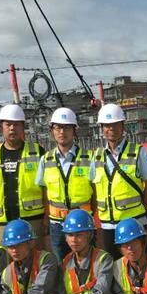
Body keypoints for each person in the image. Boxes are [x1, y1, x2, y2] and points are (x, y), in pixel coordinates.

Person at [89, 103, 147, 260]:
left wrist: (141, 207)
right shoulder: (97, 156)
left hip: (134, 222)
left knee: (139, 263)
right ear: (102, 128)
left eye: (116, 124)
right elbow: (93, 186)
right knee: (114, 266)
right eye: (107, 125)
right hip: (108, 225)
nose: (111, 129)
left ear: (123, 126)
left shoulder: (138, 152)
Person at [0, 104, 46, 247]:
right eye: (8, 124)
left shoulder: (37, 152)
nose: (12, 128)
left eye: (16, 124)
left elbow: (46, 188)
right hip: (3, 223)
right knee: (8, 258)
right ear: (1, 127)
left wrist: (46, 219)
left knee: (35, 257)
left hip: (33, 221)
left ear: (23, 127)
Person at [36, 107, 95, 263]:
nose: (62, 132)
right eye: (58, 127)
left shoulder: (89, 158)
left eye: (67, 127)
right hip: (57, 224)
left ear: (74, 130)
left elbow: (95, 191)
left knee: (87, 263)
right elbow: (44, 192)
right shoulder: (45, 160)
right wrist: (45, 220)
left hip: (83, 222)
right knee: (61, 264)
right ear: (52, 131)